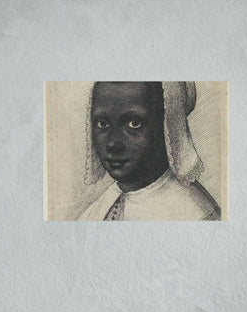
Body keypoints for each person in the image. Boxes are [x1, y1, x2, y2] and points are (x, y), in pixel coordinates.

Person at [77, 81, 221, 221]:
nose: (113, 143)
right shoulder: (100, 207)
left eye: (134, 123)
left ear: (168, 127)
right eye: (103, 124)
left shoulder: (195, 215)